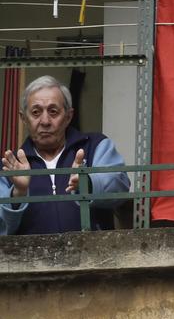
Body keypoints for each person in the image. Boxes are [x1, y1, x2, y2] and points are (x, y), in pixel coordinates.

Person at [0, 75, 130, 235]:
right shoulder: (10, 166)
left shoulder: (95, 146)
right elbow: (3, 228)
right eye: (36, 112)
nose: (45, 121)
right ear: (23, 118)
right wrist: (18, 193)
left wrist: (88, 183)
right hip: (32, 258)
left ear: (68, 116)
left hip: (93, 256)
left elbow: (120, 187)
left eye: (53, 112)